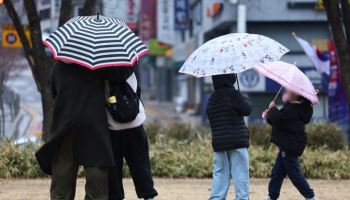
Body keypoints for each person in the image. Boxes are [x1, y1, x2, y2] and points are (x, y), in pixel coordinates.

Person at [35, 61, 128, 200]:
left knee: (63, 172)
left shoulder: (60, 65)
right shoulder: (99, 64)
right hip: (93, 123)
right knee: (96, 171)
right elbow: (120, 75)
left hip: (65, 123)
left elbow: (53, 89)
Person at [106, 66, 158, 200]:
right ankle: (149, 196)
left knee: (114, 168)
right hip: (135, 124)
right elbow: (137, 93)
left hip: (112, 127)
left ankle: (116, 196)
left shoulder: (101, 76)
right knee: (141, 164)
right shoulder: (130, 73)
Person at [262, 89, 317, 200]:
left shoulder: (293, 108)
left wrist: (272, 109)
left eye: (289, 90)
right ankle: (272, 196)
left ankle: (310, 196)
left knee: (294, 174)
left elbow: (279, 118)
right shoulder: (295, 107)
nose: (286, 91)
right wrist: (269, 116)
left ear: (296, 94)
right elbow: (280, 122)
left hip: (289, 146)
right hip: (288, 145)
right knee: (277, 173)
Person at [206, 74, 252, 200]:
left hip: (220, 144)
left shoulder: (212, 98)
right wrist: (242, 97)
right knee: (240, 174)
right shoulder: (234, 94)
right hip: (237, 141)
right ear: (231, 78)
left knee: (220, 174)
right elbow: (247, 109)